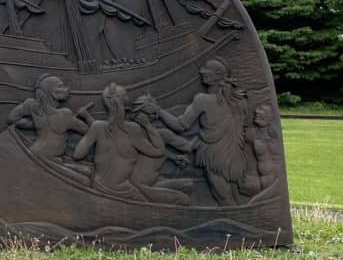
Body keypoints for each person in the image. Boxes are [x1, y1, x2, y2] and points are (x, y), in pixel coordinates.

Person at [139, 58, 258, 205]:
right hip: (234, 157)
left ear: (218, 74)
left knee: (223, 198)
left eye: (206, 69)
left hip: (214, 157)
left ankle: (236, 224)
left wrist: (158, 110)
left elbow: (180, 125)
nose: (201, 71)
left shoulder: (202, 100)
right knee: (231, 194)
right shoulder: (239, 101)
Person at [73, 82, 165, 199]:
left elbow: (77, 154)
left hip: (98, 187)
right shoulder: (132, 130)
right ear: (124, 100)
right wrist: (148, 126)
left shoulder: (97, 127)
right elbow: (158, 151)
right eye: (126, 95)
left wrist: (90, 127)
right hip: (124, 192)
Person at [7, 74, 91, 158]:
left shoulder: (32, 105)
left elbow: (12, 118)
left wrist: (36, 124)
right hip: (44, 158)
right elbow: (89, 131)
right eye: (61, 86)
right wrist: (86, 115)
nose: (67, 89)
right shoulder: (65, 114)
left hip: (34, 152)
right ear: (52, 92)